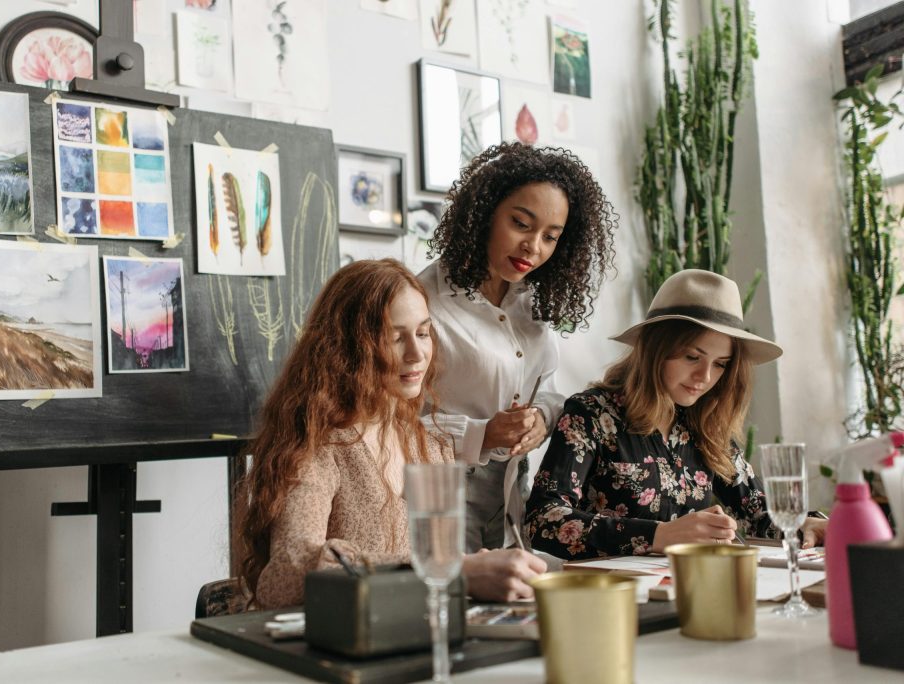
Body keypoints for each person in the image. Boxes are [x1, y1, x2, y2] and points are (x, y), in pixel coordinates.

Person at [236, 259, 546, 609]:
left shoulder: (430, 446)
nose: (416, 354)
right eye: (394, 338)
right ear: (348, 347)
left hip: (409, 637)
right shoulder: (317, 445)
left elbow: (435, 578)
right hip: (334, 650)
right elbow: (287, 576)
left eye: (423, 333)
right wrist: (457, 568)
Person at [525, 269, 828, 560]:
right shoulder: (591, 414)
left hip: (691, 587)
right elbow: (544, 520)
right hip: (613, 595)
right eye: (692, 357)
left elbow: (757, 511)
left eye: (720, 364)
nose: (705, 377)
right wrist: (658, 535)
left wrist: (804, 524)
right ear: (656, 349)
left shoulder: (704, 423)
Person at [419, 141, 618, 551]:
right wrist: (481, 434)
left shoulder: (529, 305)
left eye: (551, 236)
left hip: (512, 494)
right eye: (521, 224)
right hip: (439, 493)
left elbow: (545, 391)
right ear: (485, 212)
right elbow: (383, 426)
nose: (534, 247)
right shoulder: (423, 302)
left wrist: (542, 420)